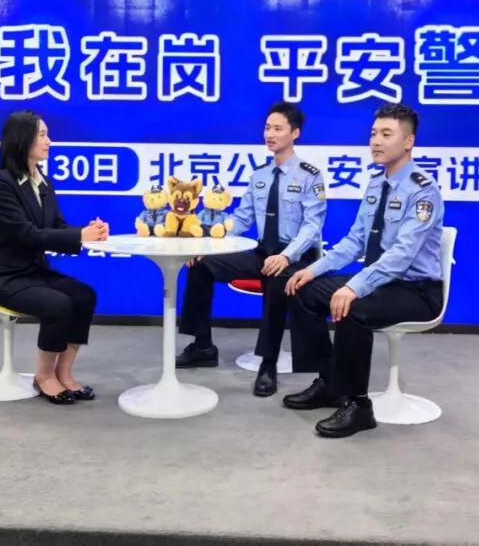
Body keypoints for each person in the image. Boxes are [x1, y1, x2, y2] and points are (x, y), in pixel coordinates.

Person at [283, 103, 444, 438]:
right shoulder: (375, 184)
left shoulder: (423, 191)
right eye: (373, 133)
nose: (376, 141)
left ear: (408, 142)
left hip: (416, 290)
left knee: (352, 307)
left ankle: (358, 406)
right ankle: (330, 382)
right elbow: (355, 241)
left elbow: (401, 256)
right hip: (380, 282)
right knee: (302, 289)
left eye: (386, 134)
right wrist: (313, 269)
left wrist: (354, 286)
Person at [176, 102, 327, 397]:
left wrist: (286, 256)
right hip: (263, 251)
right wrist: (208, 244)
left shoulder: (310, 176)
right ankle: (202, 345)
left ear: (295, 133)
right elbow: (242, 218)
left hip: (296, 257)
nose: (270, 134)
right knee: (201, 264)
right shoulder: (259, 175)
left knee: (276, 280)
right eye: (267, 128)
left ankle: (267, 364)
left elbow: (313, 227)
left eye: (278, 129)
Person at [0, 110, 109, 405]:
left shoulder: (43, 182)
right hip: (1, 276)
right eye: (42, 135)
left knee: (84, 296)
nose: (49, 141)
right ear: (23, 140)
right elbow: (24, 234)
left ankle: (64, 373)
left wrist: (87, 232)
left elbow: (56, 226)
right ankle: (44, 376)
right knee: (57, 304)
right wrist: (79, 236)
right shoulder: (1, 182)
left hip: (32, 271)